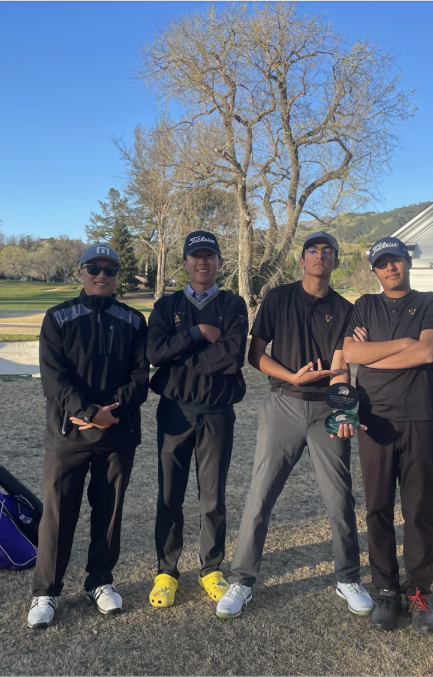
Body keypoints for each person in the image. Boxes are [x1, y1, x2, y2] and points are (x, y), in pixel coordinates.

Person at [215, 231, 374, 619]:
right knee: (260, 496)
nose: (320, 256)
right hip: (283, 405)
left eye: (328, 252)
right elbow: (256, 355)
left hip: (325, 410)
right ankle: (241, 580)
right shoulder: (278, 298)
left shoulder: (345, 307)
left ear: (336, 261)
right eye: (313, 251)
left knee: (340, 499)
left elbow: (341, 369)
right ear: (302, 260)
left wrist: (344, 411)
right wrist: (291, 377)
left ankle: (348, 577)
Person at [27, 243, 149, 629]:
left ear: (117, 277)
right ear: (80, 272)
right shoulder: (58, 317)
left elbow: (141, 376)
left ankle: (100, 581)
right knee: (58, 515)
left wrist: (109, 411)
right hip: (68, 434)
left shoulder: (133, 320)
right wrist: (86, 412)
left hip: (117, 432)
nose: (102, 274)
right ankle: (46, 591)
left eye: (110, 269)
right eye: (94, 267)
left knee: (109, 512)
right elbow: (53, 379)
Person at [342, 237, 433, 632]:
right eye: (382, 264)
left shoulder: (432, 301)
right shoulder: (364, 306)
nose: (390, 269)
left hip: (420, 417)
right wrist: (404, 343)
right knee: (377, 508)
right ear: (375, 270)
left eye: (396, 261)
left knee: (418, 510)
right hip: (375, 419)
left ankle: (419, 592)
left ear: (407, 262)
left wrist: (378, 353)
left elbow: (426, 353)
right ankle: (386, 590)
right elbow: (351, 354)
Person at [145, 231, 249, 608]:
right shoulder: (166, 304)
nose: (202, 262)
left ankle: (211, 569)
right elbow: (155, 352)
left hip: (218, 414)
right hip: (174, 413)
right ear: (185, 262)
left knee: (212, 498)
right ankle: (166, 572)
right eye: (195, 256)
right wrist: (197, 333)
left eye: (209, 256)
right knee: (169, 495)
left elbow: (231, 357)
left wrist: (180, 358)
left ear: (219, 262)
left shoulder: (234, 304)